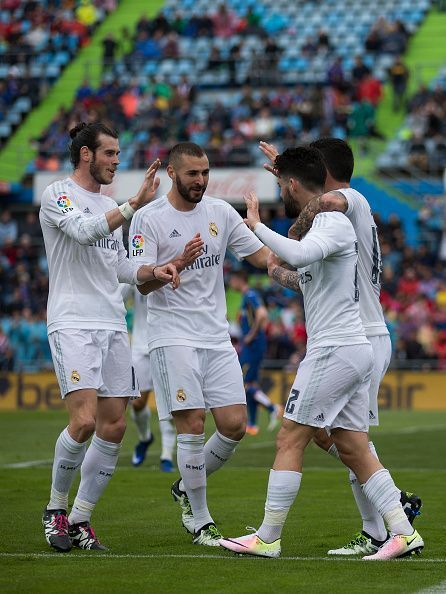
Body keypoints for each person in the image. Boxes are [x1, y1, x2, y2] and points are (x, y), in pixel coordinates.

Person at [219, 147, 424, 560]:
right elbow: (302, 274)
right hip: (347, 347)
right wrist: (270, 265)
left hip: (337, 348)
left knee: (290, 435)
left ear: (294, 184)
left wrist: (257, 225)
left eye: (283, 185)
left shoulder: (333, 218)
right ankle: (401, 532)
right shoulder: (325, 229)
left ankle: (268, 536)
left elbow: (299, 253)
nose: (282, 191)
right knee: (351, 445)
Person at [39, 122, 202, 553]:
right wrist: (132, 205)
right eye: (110, 153)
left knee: (113, 427)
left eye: (117, 153)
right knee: (84, 421)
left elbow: (120, 269)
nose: (116, 160)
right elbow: (83, 231)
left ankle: (80, 520)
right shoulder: (57, 194)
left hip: (113, 323)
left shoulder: (111, 205)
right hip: (73, 320)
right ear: (86, 154)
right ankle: (55, 508)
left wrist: (158, 271)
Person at [129, 142, 270, 546]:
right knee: (191, 424)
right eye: (193, 174)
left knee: (234, 425)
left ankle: (184, 487)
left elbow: (260, 256)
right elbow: (140, 278)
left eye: (206, 173)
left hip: (214, 335)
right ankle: (200, 518)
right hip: (171, 334)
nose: (201, 181)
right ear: (172, 173)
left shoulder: (221, 213)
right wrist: (172, 267)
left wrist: (297, 252)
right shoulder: (148, 218)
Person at [123, 285, 177, 471]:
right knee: (137, 403)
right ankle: (145, 438)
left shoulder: (173, 268)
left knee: (171, 404)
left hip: (168, 343)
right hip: (140, 347)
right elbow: (117, 297)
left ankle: (166, 456)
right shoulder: (138, 271)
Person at [229, 270, 281, 435]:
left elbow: (262, 314)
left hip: (253, 345)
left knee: (244, 383)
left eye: (233, 280)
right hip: (253, 344)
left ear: (239, 279)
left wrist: (251, 335)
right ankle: (252, 424)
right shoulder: (247, 297)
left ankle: (273, 407)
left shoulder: (250, 295)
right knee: (251, 385)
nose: (231, 283)